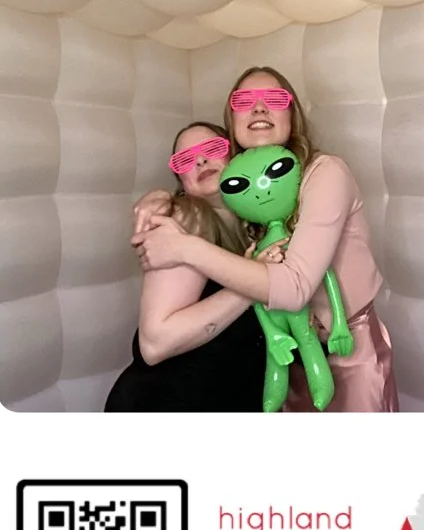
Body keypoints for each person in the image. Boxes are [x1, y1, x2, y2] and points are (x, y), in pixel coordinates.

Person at [132, 69, 399, 412]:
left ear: (293, 114)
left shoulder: (324, 173)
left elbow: (294, 286)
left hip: (348, 354)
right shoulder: (237, 202)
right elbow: (155, 343)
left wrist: (185, 247)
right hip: (286, 363)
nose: (259, 108)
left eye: (274, 99)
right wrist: (161, 201)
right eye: (244, 101)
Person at [105, 124, 263, 412]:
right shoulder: (186, 219)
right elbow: (155, 344)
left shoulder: (260, 223)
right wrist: (254, 284)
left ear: (236, 154)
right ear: (181, 180)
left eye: (212, 149)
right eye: (185, 160)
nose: (200, 161)